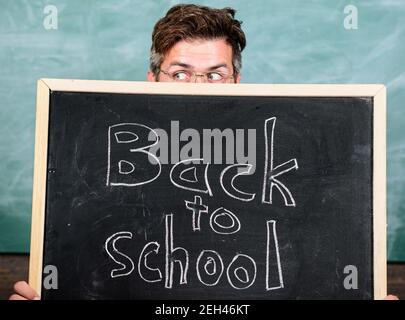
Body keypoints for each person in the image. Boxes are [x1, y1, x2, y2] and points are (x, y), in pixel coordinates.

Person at [9, 3, 398, 301]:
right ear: (153, 78)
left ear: (236, 81)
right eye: (179, 73)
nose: (197, 86)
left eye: (214, 74)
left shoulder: (293, 163)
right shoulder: (101, 159)